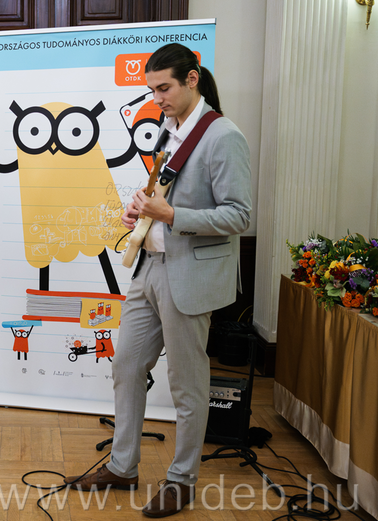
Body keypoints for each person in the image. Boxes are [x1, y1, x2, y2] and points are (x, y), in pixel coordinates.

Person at [64, 43, 252, 517]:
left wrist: (169, 214)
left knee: (187, 386)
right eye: (151, 90)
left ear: (192, 79)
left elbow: (239, 215)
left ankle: (182, 481)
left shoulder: (223, 135)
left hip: (189, 276)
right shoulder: (170, 131)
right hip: (148, 267)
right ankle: (123, 467)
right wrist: (142, 211)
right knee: (126, 366)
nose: (157, 99)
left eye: (164, 88)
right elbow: (165, 194)